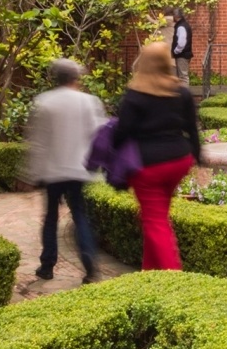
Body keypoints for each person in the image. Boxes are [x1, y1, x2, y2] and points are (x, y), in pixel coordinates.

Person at [112, 42, 201, 270]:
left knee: (154, 221)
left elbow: (122, 132)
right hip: (178, 160)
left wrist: (112, 155)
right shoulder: (180, 91)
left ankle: (173, 279)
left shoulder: (135, 95)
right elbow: (192, 128)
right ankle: (150, 272)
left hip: (148, 166)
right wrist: (198, 157)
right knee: (156, 216)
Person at [25, 58, 107, 283]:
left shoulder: (45, 102)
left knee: (51, 217)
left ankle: (47, 265)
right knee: (79, 215)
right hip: (79, 169)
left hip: (53, 171)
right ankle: (90, 266)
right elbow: (98, 135)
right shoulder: (89, 102)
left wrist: (32, 173)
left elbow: (38, 142)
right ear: (76, 78)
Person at [170, 7, 193, 86]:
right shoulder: (183, 24)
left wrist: (175, 51)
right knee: (182, 76)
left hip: (182, 55)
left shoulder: (181, 26)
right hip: (184, 54)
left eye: (173, 15)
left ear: (176, 16)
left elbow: (181, 43)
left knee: (183, 77)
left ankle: (184, 93)